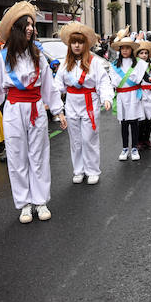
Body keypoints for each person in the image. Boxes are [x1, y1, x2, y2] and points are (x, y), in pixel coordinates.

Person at [0, 1, 65, 224]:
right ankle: (25, 203)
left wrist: (58, 111)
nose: (31, 28)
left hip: (36, 108)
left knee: (39, 155)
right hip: (13, 109)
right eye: (26, 25)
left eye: (32, 24)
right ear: (16, 29)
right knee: (17, 156)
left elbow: (49, 86)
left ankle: (40, 201)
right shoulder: (2, 58)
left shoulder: (38, 55)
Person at [53, 22, 112, 184]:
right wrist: (52, 103)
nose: (77, 45)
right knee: (76, 140)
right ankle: (78, 170)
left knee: (89, 138)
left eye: (80, 42)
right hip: (72, 104)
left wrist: (106, 97)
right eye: (74, 42)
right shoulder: (65, 64)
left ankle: (92, 170)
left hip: (89, 104)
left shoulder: (94, 63)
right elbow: (57, 85)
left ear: (85, 44)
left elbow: (103, 82)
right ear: (69, 45)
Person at [108, 34, 148, 161]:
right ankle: (125, 148)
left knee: (134, 122)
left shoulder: (139, 64)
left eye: (127, 48)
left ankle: (134, 148)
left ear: (132, 49)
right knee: (124, 123)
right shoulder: (114, 64)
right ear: (119, 50)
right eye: (122, 48)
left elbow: (139, 78)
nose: (125, 50)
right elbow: (114, 81)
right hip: (121, 95)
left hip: (133, 95)